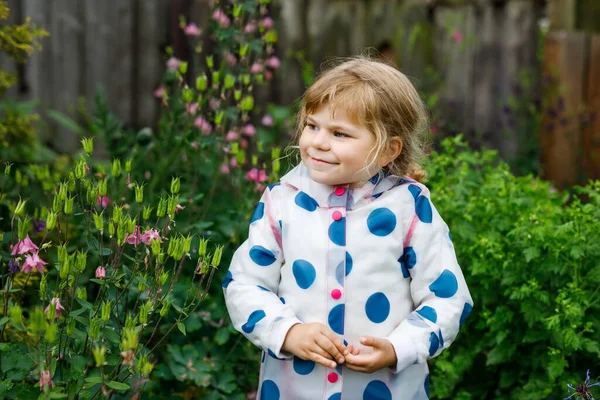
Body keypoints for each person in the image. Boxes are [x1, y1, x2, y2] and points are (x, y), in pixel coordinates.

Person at [223, 57, 473, 400]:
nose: (318, 142)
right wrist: (288, 332)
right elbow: (244, 283)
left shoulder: (409, 208)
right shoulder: (281, 200)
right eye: (312, 126)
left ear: (387, 150)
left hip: (388, 390)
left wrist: (398, 348)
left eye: (339, 133)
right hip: (293, 389)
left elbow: (448, 298)